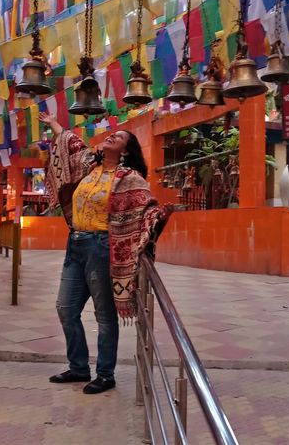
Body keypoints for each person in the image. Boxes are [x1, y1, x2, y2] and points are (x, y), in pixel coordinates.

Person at [40, 112, 173, 395]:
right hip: (75, 244)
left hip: (101, 248)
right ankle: (78, 366)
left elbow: (145, 206)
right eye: (113, 134)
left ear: (125, 151)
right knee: (66, 309)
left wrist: (157, 216)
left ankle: (105, 373)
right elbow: (72, 144)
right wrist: (54, 124)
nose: (113, 135)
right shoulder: (89, 167)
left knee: (104, 316)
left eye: (120, 137)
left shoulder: (129, 178)